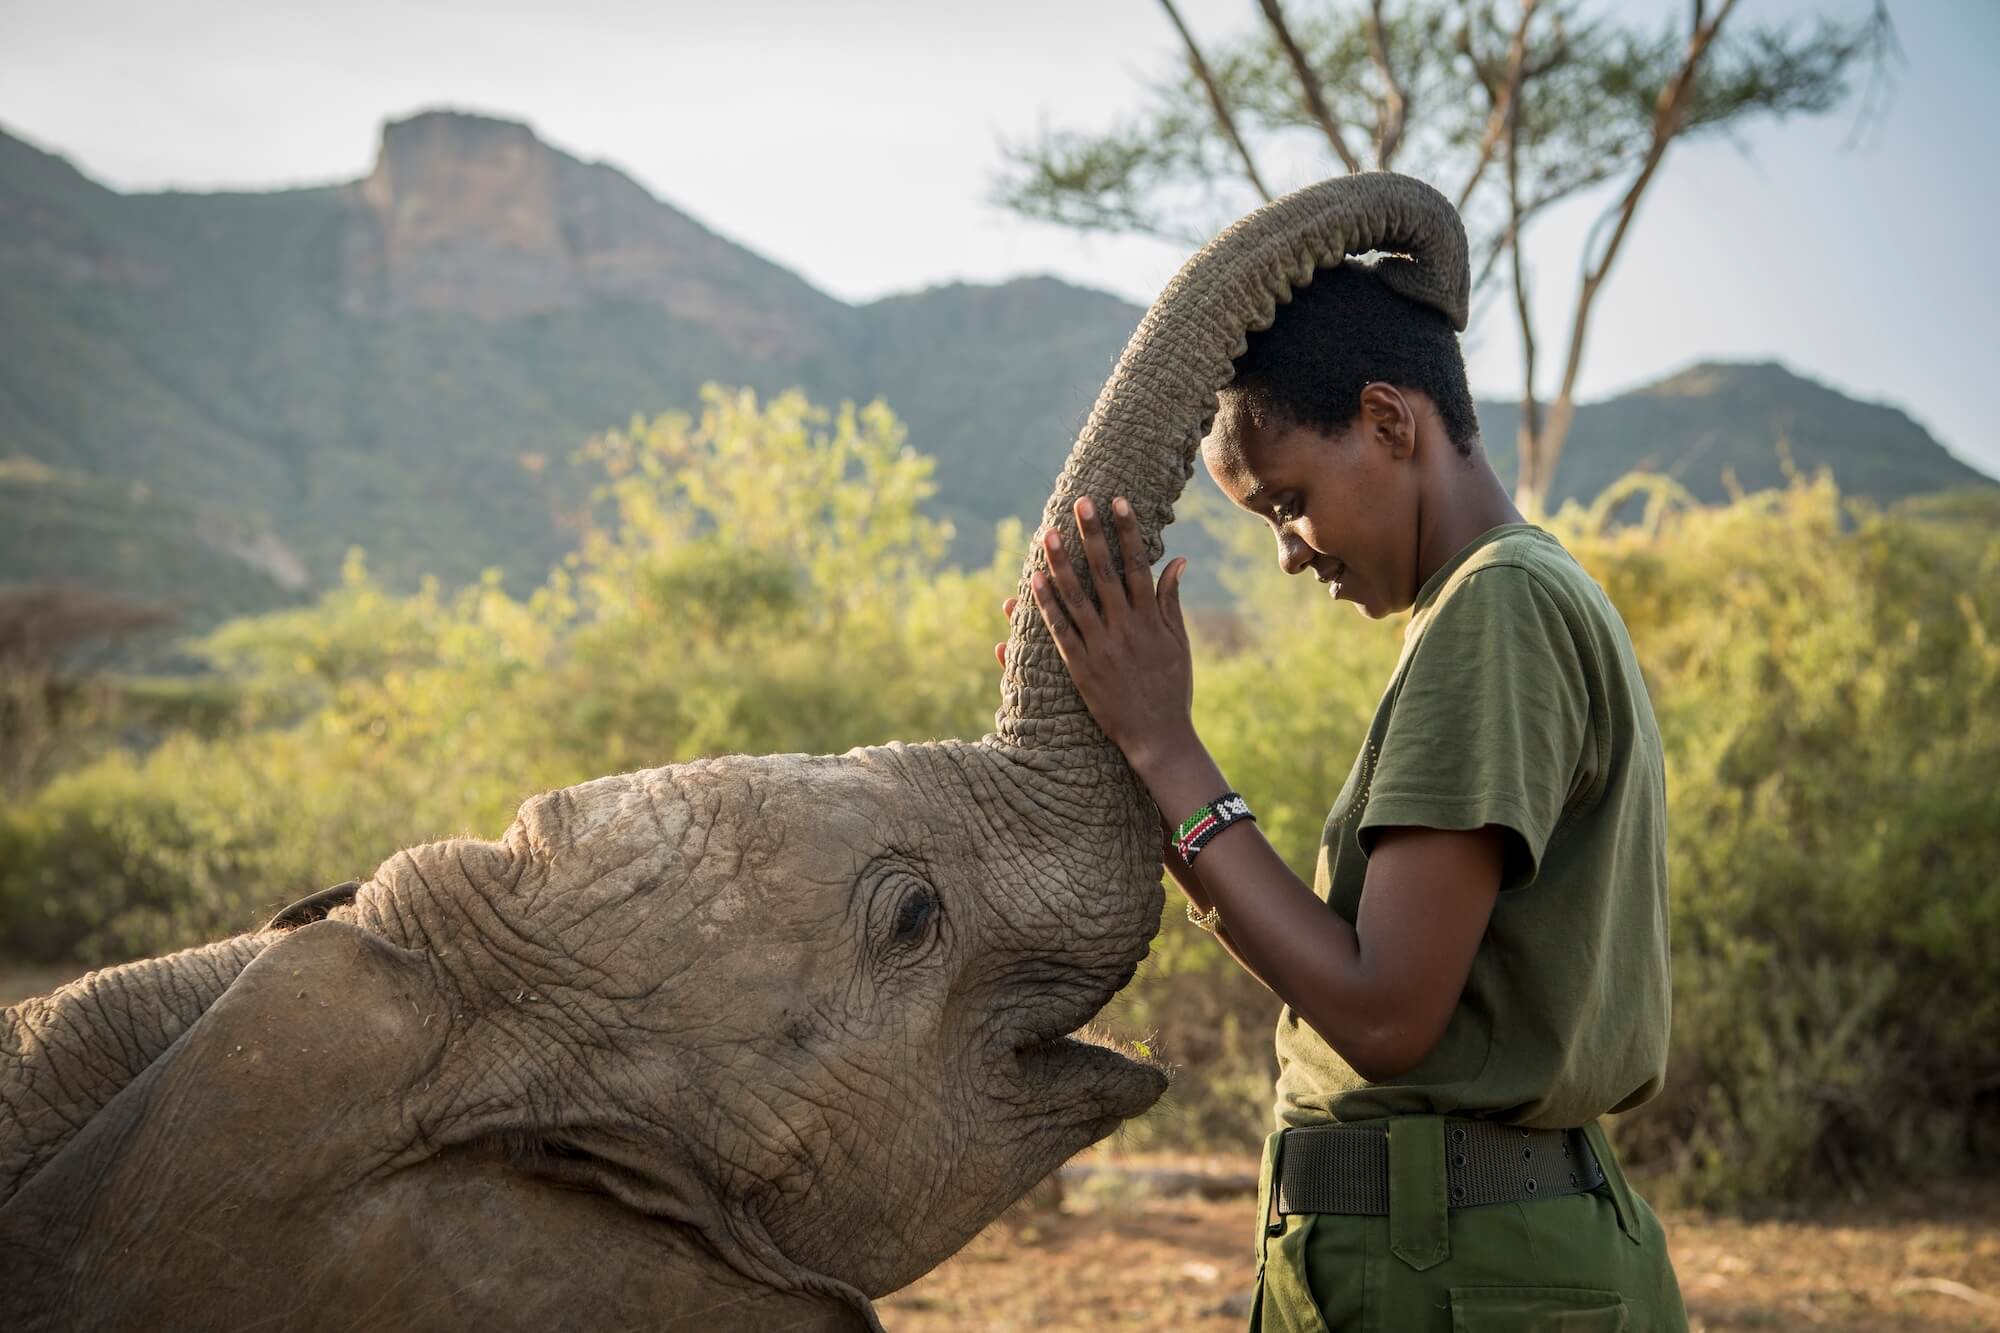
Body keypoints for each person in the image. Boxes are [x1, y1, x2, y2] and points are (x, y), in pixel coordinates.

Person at [998, 260, 1688, 1330]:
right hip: (1450, 1262)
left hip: (1464, 1275)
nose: (1284, 553)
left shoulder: (1495, 610)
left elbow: (1382, 1011)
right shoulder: (1495, 601)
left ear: (1386, 421)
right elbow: (1353, 973)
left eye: (1289, 503)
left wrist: (1167, 745)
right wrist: (1143, 757)